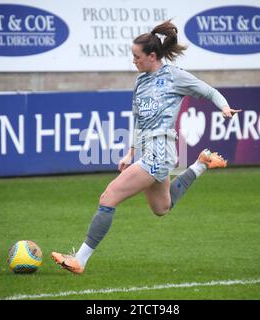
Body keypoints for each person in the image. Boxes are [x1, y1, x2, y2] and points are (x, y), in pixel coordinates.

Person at [51, 20, 242, 274]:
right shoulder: (140, 82)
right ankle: (201, 163)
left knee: (108, 197)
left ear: (152, 56)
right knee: (162, 208)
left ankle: (80, 260)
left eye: (136, 56)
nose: (133, 61)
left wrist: (224, 107)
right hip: (148, 151)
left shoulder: (175, 76)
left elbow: (209, 91)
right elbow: (139, 121)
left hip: (161, 152)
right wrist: (131, 152)